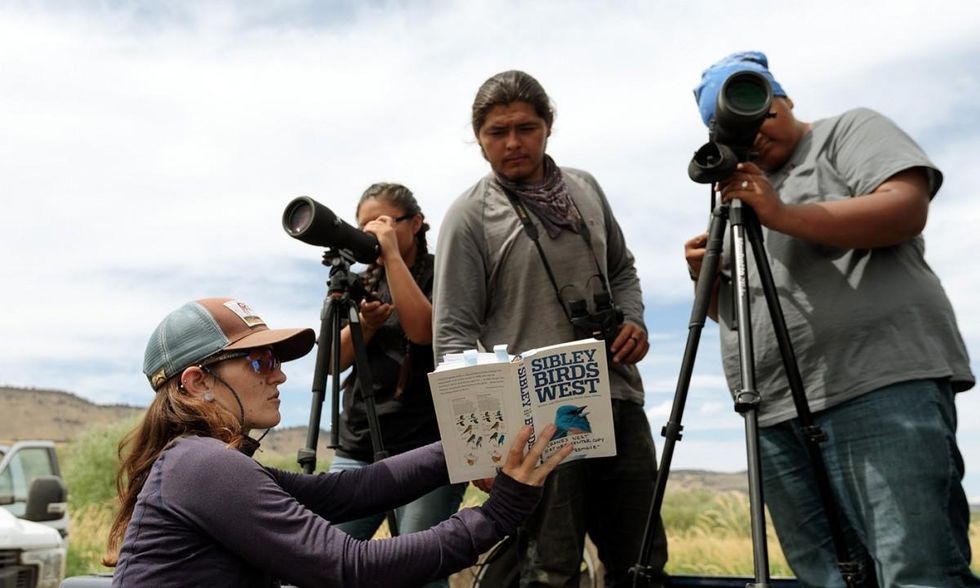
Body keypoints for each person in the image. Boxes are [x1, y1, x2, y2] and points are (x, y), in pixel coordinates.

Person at [684, 51, 977, 587]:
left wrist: (782, 214)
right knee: (826, 576)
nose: (755, 130)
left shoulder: (846, 132)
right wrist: (706, 280)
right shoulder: (738, 190)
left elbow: (906, 207)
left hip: (877, 383)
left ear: (785, 98)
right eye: (733, 122)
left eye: (762, 109)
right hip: (770, 410)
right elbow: (736, 317)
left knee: (917, 568)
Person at [104, 296, 572, 587]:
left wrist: (466, 448)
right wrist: (499, 515)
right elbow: (351, 569)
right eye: (260, 362)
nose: (281, 374)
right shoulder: (201, 465)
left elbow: (345, 494)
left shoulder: (200, 461)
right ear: (196, 381)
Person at [432, 70, 668, 587]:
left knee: (642, 563)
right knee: (550, 569)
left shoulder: (585, 187)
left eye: (526, 127)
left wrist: (634, 320)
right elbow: (451, 336)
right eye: (497, 132)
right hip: (540, 423)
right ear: (479, 139)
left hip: (621, 399)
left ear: (548, 127)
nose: (513, 142)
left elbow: (623, 269)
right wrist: (480, 450)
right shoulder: (470, 216)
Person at [326, 183, 467, 588]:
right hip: (360, 446)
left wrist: (390, 255)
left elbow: (425, 332)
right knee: (326, 560)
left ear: (417, 223)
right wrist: (366, 326)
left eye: (383, 222)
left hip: (427, 447)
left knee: (417, 571)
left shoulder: (444, 271)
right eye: (363, 226)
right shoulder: (355, 282)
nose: (371, 232)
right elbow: (334, 362)